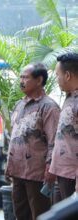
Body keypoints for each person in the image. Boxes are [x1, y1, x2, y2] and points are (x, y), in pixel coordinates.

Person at [5, 63, 61, 220]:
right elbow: (15, 137)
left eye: (26, 77)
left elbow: (54, 141)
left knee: (39, 215)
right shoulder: (20, 104)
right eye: (20, 77)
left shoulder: (49, 107)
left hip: (37, 173)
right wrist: (9, 165)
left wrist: (50, 169)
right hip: (17, 171)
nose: (21, 81)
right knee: (20, 214)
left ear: (39, 80)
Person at [49, 53, 78, 200]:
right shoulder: (69, 97)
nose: (56, 80)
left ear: (67, 75)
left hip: (73, 175)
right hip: (62, 174)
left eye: (57, 75)